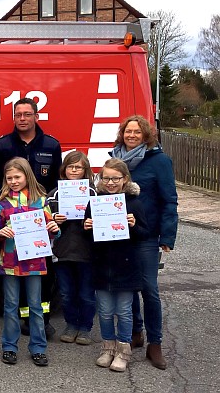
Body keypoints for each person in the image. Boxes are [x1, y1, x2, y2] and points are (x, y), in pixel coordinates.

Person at [0, 98, 62, 338]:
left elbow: (57, 183)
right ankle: (19, 322)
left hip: (38, 224)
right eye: (18, 114)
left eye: (27, 114)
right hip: (12, 225)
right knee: (13, 284)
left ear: (36, 116)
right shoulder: (2, 146)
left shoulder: (51, 145)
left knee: (43, 277)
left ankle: (41, 322)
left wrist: (48, 219)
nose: (22, 118)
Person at [109, 115, 177, 370]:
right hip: (119, 235)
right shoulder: (114, 159)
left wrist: (168, 236)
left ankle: (155, 343)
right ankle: (136, 333)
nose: (132, 135)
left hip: (146, 236)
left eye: (137, 132)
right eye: (128, 131)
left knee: (149, 289)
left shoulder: (159, 161)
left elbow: (170, 200)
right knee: (128, 286)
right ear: (122, 134)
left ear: (146, 134)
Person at [0, 157, 60, 367]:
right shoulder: (1, 202)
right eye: (9, 177)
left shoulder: (41, 200)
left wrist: (55, 229)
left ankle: (38, 347)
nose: (13, 181)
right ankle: (9, 346)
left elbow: (52, 228)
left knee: (36, 306)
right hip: (11, 261)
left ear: (27, 175)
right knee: (11, 306)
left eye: (17, 176)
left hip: (35, 260)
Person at [85, 158, 149, 373]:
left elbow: (144, 234)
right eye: (106, 178)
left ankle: (123, 350)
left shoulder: (134, 203)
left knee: (123, 311)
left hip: (126, 265)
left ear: (125, 179)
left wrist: (133, 225)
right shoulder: (95, 202)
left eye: (115, 178)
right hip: (102, 265)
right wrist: (88, 227)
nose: (110, 182)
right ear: (100, 179)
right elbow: (89, 238)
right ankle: (107, 347)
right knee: (103, 311)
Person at [46, 151, 97, 345]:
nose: (74, 170)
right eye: (70, 166)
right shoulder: (54, 194)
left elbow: (103, 224)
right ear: (63, 169)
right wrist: (54, 220)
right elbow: (44, 222)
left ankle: (85, 328)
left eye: (78, 167)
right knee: (66, 293)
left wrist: (91, 223)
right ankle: (71, 325)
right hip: (62, 252)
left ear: (86, 170)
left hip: (87, 252)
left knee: (86, 293)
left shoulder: (94, 193)